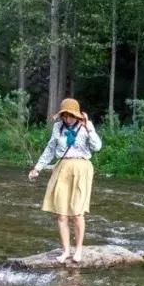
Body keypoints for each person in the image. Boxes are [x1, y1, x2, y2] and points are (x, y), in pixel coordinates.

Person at [28, 98, 102, 263]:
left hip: (81, 168)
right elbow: (50, 149)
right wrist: (37, 168)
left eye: (70, 115)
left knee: (77, 213)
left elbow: (97, 147)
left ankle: (79, 250)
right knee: (61, 214)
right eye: (64, 115)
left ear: (77, 115)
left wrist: (89, 127)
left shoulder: (86, 126)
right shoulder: (58, 127)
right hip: (62, 167)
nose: (67, 119)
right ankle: (66, 250)